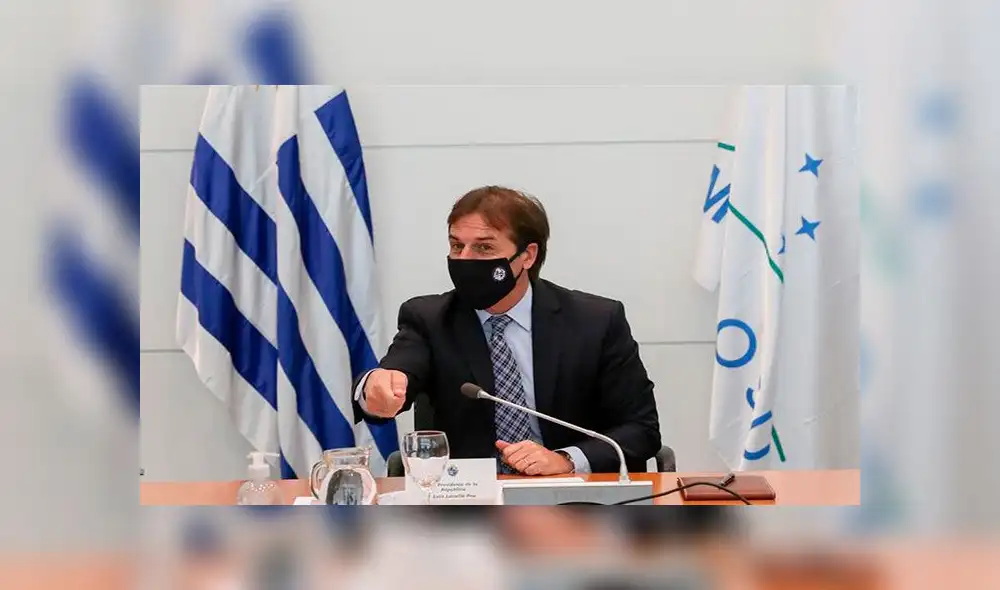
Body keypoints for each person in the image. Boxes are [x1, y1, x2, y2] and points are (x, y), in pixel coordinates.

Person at [354, 186, 661, 475]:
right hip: (466, 504)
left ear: (527, 255)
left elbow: (641, 429)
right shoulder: (429, 319)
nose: (464, 260)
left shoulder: (595, 321)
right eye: (457, 245)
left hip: (570, 500)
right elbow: (398, 371)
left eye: (484, 248)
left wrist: (567, 460)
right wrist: (376, 387)